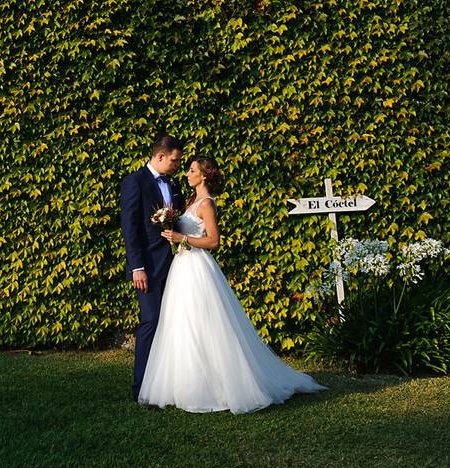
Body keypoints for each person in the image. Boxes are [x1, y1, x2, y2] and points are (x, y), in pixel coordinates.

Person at [138, 157, 326, 413]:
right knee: (183, 323)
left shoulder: (206, 204)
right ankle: (186, 382)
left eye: (192, 170)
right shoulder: (190, 201)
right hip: (182, 267)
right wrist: (174, 236)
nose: (187, 174)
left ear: (204, 176)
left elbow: (214, 241)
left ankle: (217, 385)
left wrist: (182, 237)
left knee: (205, 323)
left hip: (198, 269)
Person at [120, 134, 185, 401]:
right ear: (160, 156)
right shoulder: (135, 182)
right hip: (146, 267)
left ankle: (169, 383)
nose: (177, 165)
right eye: (174, 160)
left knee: (172, 323)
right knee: (151, 321)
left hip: (174, 264)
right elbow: (130, 227)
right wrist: (137, 267)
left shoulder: (173, 182)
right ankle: (142, 388)